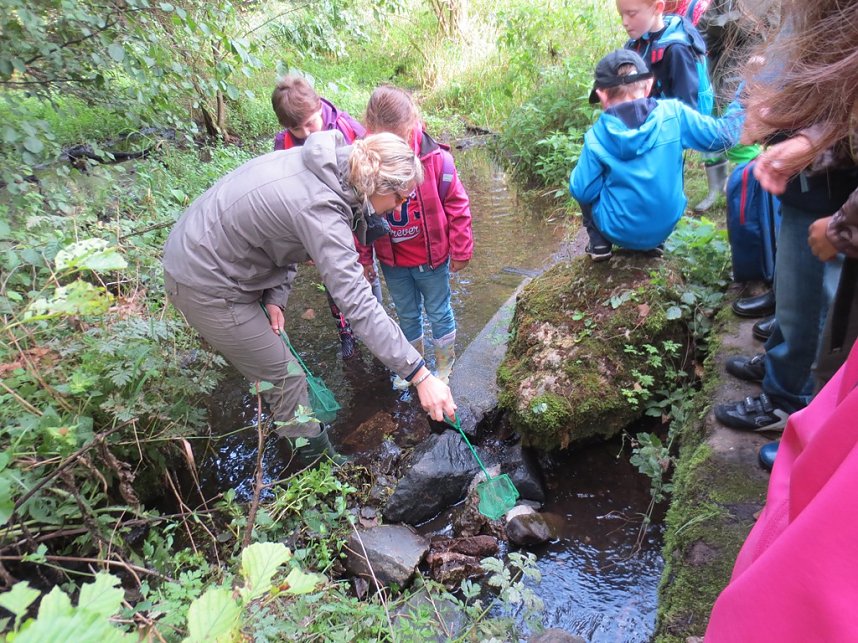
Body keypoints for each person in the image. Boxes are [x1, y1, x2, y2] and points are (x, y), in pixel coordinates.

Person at [163, 131, 457, 465]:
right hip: (204, 282)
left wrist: (275, 294)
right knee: (286, 378)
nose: (400, 207)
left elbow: (282, 234)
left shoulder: (330, 164)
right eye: (401, 198)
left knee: (280, 370)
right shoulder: (322, 208)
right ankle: (316, 475)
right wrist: (420, 375)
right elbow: (357, 304)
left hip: (214, 255)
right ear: (379, 187)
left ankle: (303, 452)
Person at [569, 49, 739, 259]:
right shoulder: (674, 114)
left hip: (617, 230)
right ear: (648, 85)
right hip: (664, 225)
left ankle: (599, 245)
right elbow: (723, 137)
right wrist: (744, 95)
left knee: (583, 181)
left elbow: (582, 192)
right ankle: (655, 243)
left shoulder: (596, 137)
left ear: (602, 95)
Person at [357, 85, 473, 388]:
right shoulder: (368, 163)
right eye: (385, 141)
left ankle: (445, 366)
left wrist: (461, 249)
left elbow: (457, 205)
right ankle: (413, 367)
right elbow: (360, 215)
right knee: (406, 315)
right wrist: (363, 257)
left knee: (439, 311)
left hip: (432, 260)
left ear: (413, 125)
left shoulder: (437, 161)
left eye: (401, 139)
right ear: (371, 132)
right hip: (393, 262)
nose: (394, 148)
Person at [271, 75, 381, 360]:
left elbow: (369, 192)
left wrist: (366, 252)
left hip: (353, 217)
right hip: (317, 222)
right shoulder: (283, 145)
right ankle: (346, 333)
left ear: (320, 107)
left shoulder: (348, 130)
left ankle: (376, 328)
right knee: (333, 279)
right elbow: (286, 196)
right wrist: (303, 247)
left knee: (365, 277)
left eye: (311, 124)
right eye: (297, 129)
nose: (307, 135)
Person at [618, 0, 725, 215]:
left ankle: (666, 215)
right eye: (621, 15)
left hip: (669, 126)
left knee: (664, 175)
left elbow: (687, 105)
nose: (625, 22)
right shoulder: (636, 44)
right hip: (647, 123)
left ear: (658, 8)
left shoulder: (676, 50)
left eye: (631, 14)